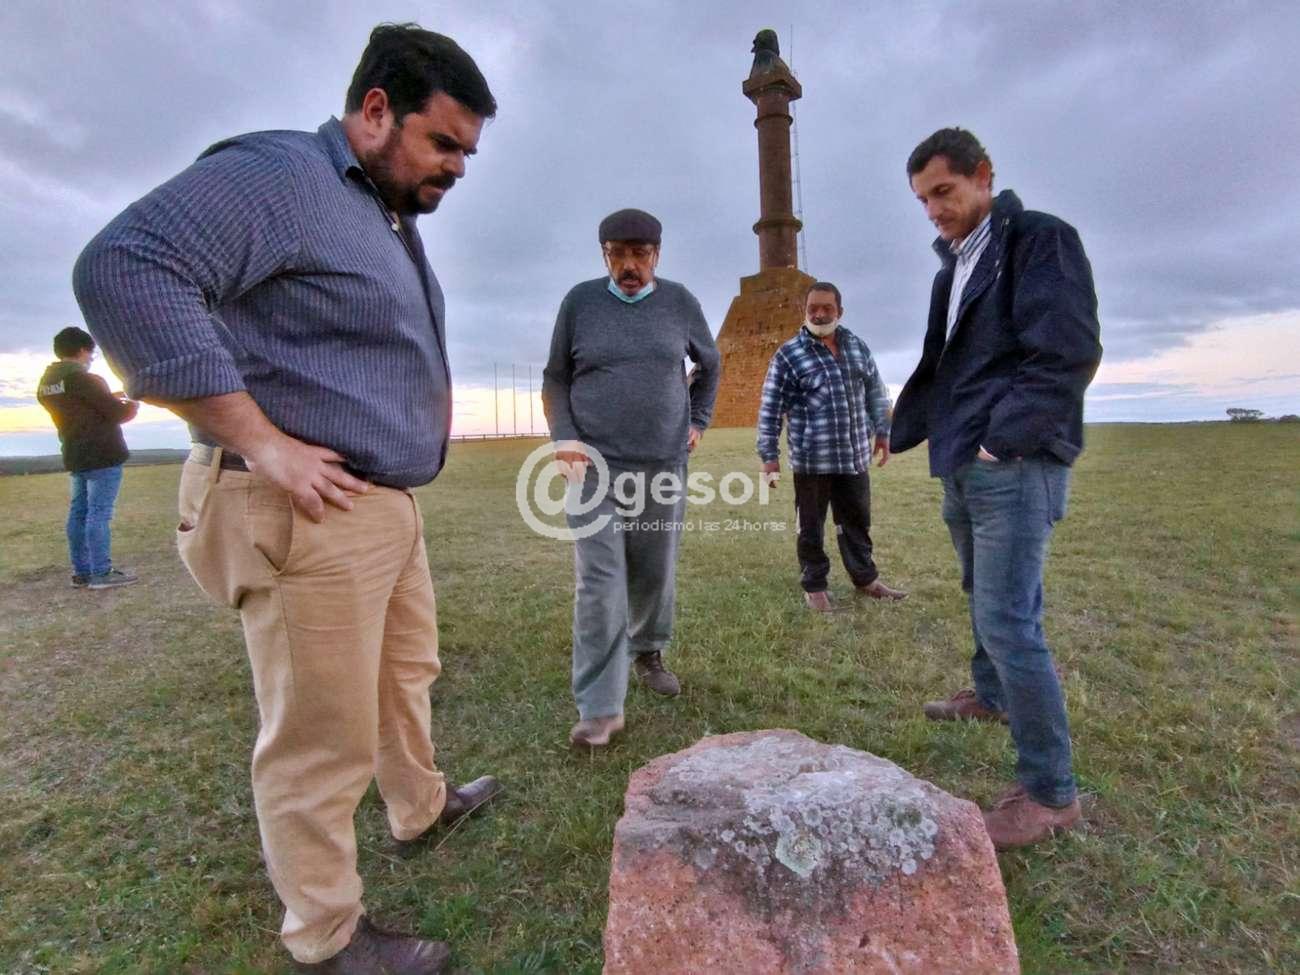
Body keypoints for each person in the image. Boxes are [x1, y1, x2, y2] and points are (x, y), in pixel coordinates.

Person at [73, 24, 503, 974]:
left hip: (380, 503)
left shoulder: (383, 214)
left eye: (468, 152)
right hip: (307, 510)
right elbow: (126, 265)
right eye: (443, 143)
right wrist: (262, 441)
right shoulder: (284, 178)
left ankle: (421, 807)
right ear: (376, 109)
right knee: (320, 734)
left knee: (404, 677)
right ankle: (327, 936)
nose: (457, 167)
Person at [892, 127, 1102, 850]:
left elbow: (1066, 351)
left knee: (1011, 619)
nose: (934, 211)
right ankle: (990, 695)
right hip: (964, 458)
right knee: (978, 588)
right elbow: (946, 364)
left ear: (983, 175)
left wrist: (1002, 440)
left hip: (1013, 461)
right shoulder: (953, 266)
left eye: (944, 192)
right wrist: (906, 429)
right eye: (923, 200)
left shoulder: (1037, 240)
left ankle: (1050, 794)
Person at [542, 208, 720, 749]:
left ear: (657, 255)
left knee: (652, 572)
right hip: (593, 468)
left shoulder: (680, 302)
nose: (628, 265)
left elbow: (709, 364)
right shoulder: (579, 302)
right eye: (616, 254)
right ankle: (599, 709)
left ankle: (648, 650)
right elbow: (556, 377)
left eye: (639, 254)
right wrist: (565, 437)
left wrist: (697, 419)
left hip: (661, 465)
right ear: (604, 254)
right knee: (599, 582)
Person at [756, 282, 908, 612]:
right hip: (812, 460)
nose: (820, 314)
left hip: (854, 456)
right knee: (810, 526)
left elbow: (876, 392)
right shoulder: (789, 355)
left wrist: (883, 432)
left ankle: (865, 578)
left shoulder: (857, 347)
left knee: (857, 521)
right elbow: (771, 407)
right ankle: (815, 587)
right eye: (813, 308)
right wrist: (769, 457)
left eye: (827, 308)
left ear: (840, 311)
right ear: (804, 311)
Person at [36, 326, 140, 590]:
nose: (91, 358)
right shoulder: (84, 378)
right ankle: (101, 573)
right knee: (99, 513)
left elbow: (77, 406)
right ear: (83, 350)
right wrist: (133, 403)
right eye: (91, 353)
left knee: (78, 513)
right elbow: (117, 414)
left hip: (74, 453)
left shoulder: (47, 383)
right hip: (103, 454)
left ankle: (81, 572)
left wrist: (106, 397)